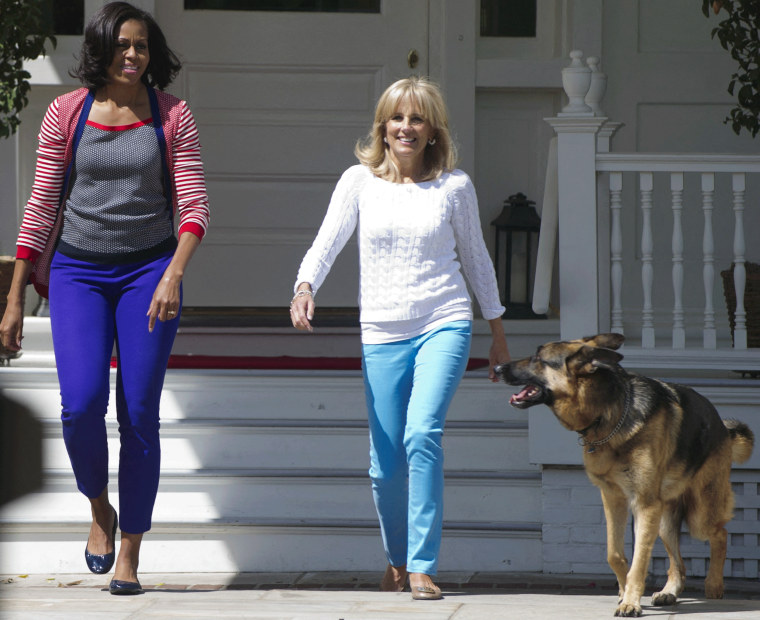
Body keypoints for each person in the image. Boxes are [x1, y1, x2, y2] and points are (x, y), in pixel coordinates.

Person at [0, 2, 210, 595]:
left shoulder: (173, 115)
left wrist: (172, 273)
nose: (133, 55)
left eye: (142, 46)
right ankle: (99, 507)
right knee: (80, 405)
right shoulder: (66, 113)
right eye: (122, 45)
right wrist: (14, 297)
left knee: (139, 414)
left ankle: (131, 554)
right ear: (101, 49)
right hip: (78, 272)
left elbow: (194, 206)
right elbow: (41, 207)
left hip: (150, 270)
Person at [290, 76, 510, 600]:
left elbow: (477, 260)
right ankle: (396, 558)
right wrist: (304, 286)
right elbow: (327, 241)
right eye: (397, 118)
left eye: (416, 119)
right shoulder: (358, 182)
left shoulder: (453, 187)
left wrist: (497, 331)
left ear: (433, 130)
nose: (405, 128)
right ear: (382, 126)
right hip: (382, 330)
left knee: (422, 434)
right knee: (385, 463)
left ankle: (422, 566)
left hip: (444, 319)